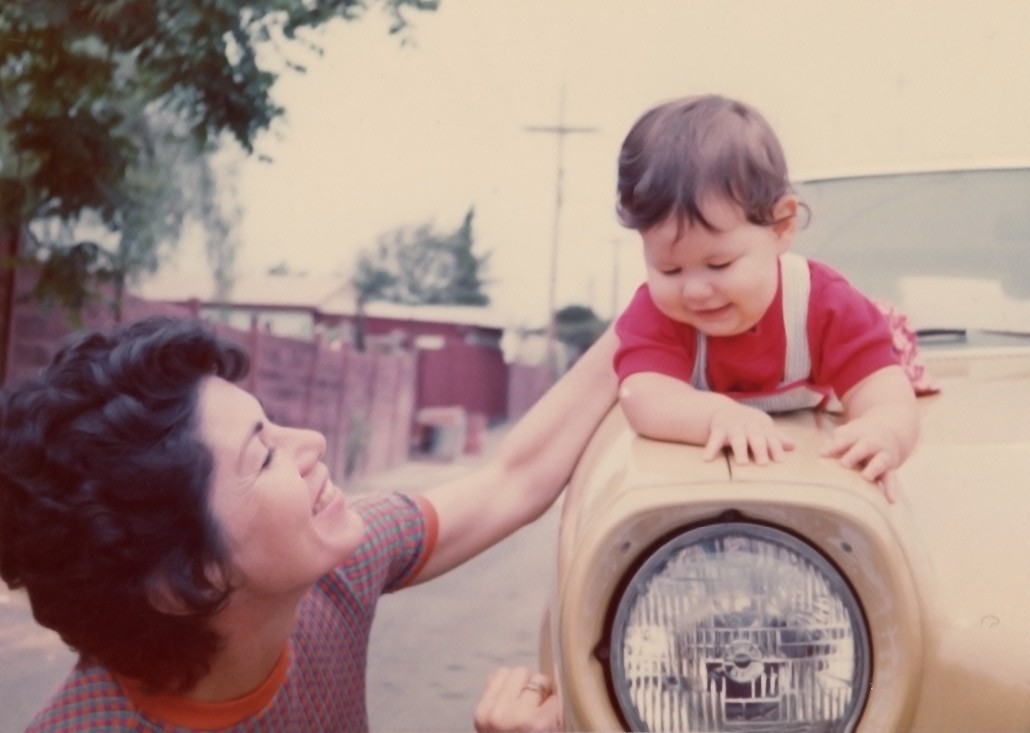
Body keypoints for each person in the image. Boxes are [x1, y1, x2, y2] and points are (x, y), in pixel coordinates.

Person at [0, 316, 616, 732]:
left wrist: (661, 302)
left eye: (273, 424)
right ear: (186, 577)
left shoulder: (331, 575)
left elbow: (513, 479)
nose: (313, 443)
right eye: (264, 455)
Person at [612, 94, 920, 500]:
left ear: (780, 227)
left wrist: (883, 430)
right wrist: (716, 416)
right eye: (669, 269)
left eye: (719, 264)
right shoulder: (657, 312)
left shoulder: (823, 304)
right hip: (707, 488)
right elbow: (645, 398)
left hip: (810, 480)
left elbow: (885, 392)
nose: (695, 290)